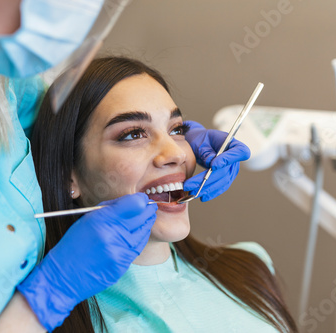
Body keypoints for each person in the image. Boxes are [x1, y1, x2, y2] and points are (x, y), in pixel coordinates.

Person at [0, 2, 250, 332]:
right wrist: (50, 295)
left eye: (179, 129)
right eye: (133, 134)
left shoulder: (0, 88)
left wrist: (176, 136)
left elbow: (69, 119)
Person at [31, 57, 297, 332]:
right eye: (133, 134)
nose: (177, 153)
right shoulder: (47, 320)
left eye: (177, 129)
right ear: (68, 176)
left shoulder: (250, 268)